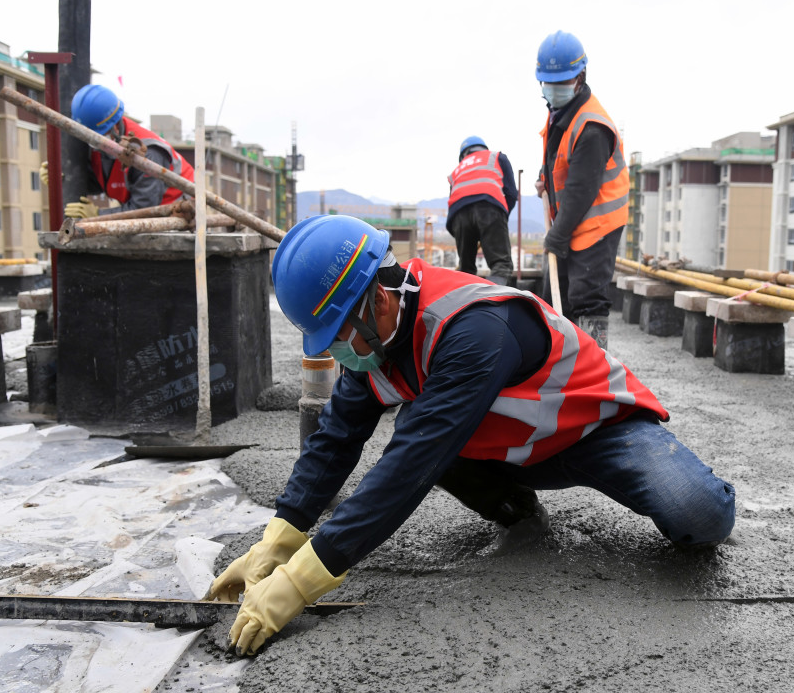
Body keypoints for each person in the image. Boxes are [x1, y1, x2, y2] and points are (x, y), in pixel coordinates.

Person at [205, 214, 736, 656]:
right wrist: (278, 539)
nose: (336, 351)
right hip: (515, 448)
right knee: (423, 430)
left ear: (378, 303)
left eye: (337, 335)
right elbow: (336, 437)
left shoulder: (471, 329)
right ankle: (521, 513)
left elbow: (408, 467)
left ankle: (704, 492)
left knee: (700, 513)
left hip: (596, 432)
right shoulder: (376, 343)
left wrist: (300, 581)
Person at [535, 30, 628, 350]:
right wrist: (543, 179)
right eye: (549, 83)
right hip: (571, 219)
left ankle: (595, 371)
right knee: (552, 296)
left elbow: (580, 190)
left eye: (561, 83)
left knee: (585, 296)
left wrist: (557, 235)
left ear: (580, 77)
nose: (554, 89)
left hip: (597, 223)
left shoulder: (592, 127)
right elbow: (557, 159)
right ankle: (560, 363)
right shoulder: (560, 111)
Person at [53, 84, 194, 219]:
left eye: (98, 136)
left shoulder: (148, 153)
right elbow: (100, 182)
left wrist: (98, 215)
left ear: (114, 127)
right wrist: (62, 177)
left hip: (178, 215)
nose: (94, 143)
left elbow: (145, 209)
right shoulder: (102, 143)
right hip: (147, 215)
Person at [446, 136, 518, 285]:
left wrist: (467, 236)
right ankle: (493, 302)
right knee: (501, 266)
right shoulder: (496, 157)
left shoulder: (456, 171)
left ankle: (465, 304)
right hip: (489, 207)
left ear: (463, 155)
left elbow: (452, 208)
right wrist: (500, 221)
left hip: (458, 215)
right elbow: (511, 193)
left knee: (466, 270)